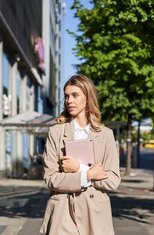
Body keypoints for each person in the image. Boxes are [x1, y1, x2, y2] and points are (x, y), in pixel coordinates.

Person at [40, 74, 121, 235]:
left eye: (75, 95)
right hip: (63, 213)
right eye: (66, 96)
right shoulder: (56, 132)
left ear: (88, 97)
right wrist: (88, 175)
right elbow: (50, 178)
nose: (69, 100)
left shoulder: (106, 135)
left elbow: (112, 181)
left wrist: (79, 168)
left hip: (96, 214)